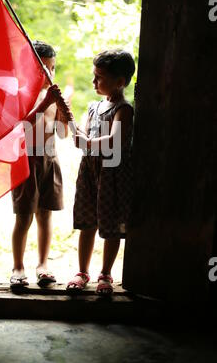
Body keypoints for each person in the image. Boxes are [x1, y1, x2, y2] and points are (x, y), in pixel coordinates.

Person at [66, 49, 135, 295]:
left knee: (111, 225)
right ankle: (82, 271)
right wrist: (69, 120)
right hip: (90, 173)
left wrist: (86, 143)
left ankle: (105, 272)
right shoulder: (94, 107)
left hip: (111, 175)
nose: (94, 82)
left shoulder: (124, 109)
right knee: (87, 223)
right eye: (94, 76)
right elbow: (82, 137)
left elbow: (114, 141)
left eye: (100, 77)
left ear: (120, 82)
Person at [10, 40, 72, 288]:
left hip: (50, 159)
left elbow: (62, 134)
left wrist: (63, 117)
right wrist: (45, 103)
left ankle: (43, 264)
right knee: (24, 217)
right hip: (26, 160)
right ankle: (18, 266)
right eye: (43, 68)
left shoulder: (53, 98)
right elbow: (21, 129)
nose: (49, 74)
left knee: (45, 216)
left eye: (53, 68)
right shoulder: (21, 94)